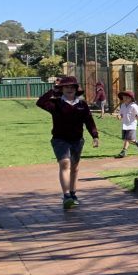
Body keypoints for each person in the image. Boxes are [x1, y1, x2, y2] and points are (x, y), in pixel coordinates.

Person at [36, 76, 99, 209]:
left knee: (74, 167)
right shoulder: (56, 104)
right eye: (66, 87)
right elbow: (40, 102)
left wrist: (95, 136)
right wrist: (53, 90)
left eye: (72, 87)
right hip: (60, 139)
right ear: (62, 89)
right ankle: (66, 196)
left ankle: (73, 193)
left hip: (77, 140)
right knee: (65, 163)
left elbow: (89, 121)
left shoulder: (82, 105)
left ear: (76, 89)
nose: (69, 89)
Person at [114, 90, 138, 158]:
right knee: (127, 139)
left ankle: (124, 151)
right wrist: (119, 116)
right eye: (124, 97)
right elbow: (121, 114)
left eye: (127, 97)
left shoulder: (134, 106)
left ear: (131, 99)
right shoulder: (122, 105)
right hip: (124, 125)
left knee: (127, 139)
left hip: (132, 125)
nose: (125, 99)